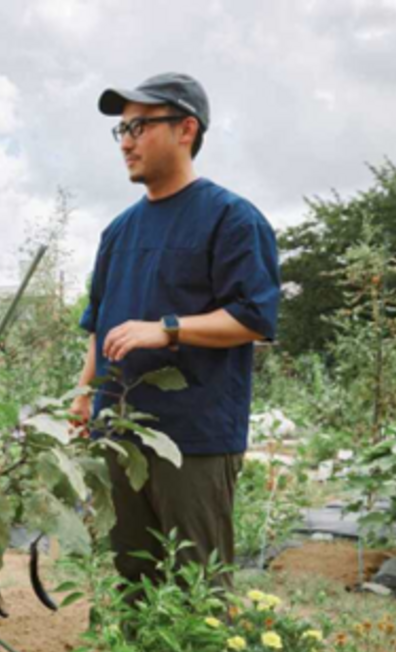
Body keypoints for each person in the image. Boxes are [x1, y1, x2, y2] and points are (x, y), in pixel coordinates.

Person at [69, 73, 280, 590]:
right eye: (120, 130)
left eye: (139, 126)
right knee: (133, 575)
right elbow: (99, 327)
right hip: (121, 432)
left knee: (196, 584)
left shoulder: (230, 219)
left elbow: (253, 318)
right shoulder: (118, 232)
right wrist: (82, 399)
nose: (125, 142)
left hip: (192, 438)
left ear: (186, 129)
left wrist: (166, 330)